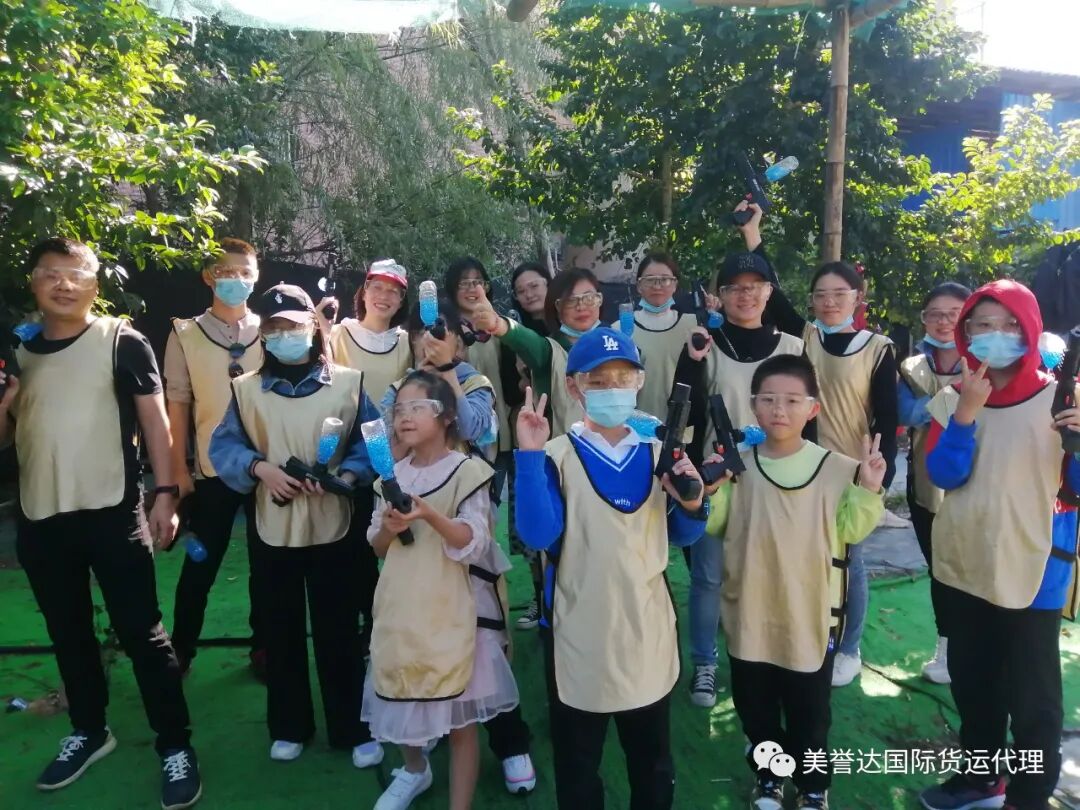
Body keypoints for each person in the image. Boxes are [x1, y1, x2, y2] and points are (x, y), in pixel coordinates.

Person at [2, 238, 201, 808]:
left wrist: (166, 495)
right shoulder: (17, 350)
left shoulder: (121, 340)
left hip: (112, 512)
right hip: (41, 516)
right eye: (50, 274)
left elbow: (156, 424)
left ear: (94, 283)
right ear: (33, 281)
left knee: (143, 634)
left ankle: (175, 744)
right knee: (68, 634)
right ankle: (89, 730)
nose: (63, 284)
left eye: (76, 274)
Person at [514, 327, 708, 809]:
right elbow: (537, 535)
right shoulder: (556, 456)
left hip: (646, 629)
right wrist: (529, 456)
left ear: (640, 381)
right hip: (579, 632)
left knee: (652, 762)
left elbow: (682, 534)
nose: (613, 390)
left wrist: (693, 503)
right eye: (597, 381)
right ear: (574, 387)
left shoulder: (658, 451)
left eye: (624, 378)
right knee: (578, 766)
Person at [918, 279, 1080, 810]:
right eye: (983, 325)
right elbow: (945, 474)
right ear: (966, 332)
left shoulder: (1063, 399)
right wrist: (966, 412)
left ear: (1030, 329)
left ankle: (1028, 796)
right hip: (966, 560)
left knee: (1034, 698)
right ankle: (981, 777)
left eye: (1010, 324)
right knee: (973, 681)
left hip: (1035, 569)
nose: (997, 335)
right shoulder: (953, 397)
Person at [209, 284, 384, 770]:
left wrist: (346, 477)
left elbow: (372, 441)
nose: (285, 334)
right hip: (273, 526)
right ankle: (289, 726)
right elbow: (224, 447)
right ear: (263, 334)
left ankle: (353, 727)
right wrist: (260, 469)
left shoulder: (349, 383)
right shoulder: (245, 390)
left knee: (339, 630)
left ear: (312, 326)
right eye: (274, 327)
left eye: (293, 325)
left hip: (336, 524)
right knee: (280, 628)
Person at [704, 354, 885, 810]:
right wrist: (708, 490)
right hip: (750, 612)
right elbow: (716, 524)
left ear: (813, 409)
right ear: (753, 406)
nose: (778, 410)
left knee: (810, 714)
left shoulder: (839, 469)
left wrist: (868, 487)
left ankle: (812, 786)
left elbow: (851, 529)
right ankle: (769, 777)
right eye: (767, 399)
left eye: (791, 400)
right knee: (755, 708)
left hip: (810, 616)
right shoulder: (738, 468)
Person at [380, 305, 538, 796]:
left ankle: (511, 745)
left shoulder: (472, 381)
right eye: (420, 334)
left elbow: (475, 430)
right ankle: (417, 762)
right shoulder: (401, 391)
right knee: (417, 649)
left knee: (483, 650)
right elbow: (386, 445)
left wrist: (447, 373)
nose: (427, 341)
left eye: (438, 333)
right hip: (412, 560)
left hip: (465, 522)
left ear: (459, 342)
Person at [363, 371, 521, 810]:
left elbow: (475, 542)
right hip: (400, 607)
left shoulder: (468, 472)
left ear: (447, 416)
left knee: (459, 718)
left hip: (454, 611)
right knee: (398, 689)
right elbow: (378, 546)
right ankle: (415, 769)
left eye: (418, 408)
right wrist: (390, 528)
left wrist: (429, 515)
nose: (405, 417)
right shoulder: (389, 477)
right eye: (399, 409)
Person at [673, 213, 805, 709]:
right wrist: (691, 470)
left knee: (768, 572)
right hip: (717, 480)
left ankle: (763, 655)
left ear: (769, 292)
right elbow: (684, 408)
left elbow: (806, 419)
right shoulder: (705, 346)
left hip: (777, 477)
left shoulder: (792, 347)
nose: (745, 295)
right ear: (720, 295)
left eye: (755, 286)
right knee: (708, 576)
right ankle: (705, 663)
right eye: (734, 287)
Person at [761, 232, 898, 688]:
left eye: (839, 293)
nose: (829, 302)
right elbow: (772, 294)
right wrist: (754, 236)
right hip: (804, 466)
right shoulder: (806, 337)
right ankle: (807, 631)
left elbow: (888, 417)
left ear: (857, 297)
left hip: (852, 471)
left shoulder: (877, 348)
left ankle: (849, 647)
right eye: (820, 294)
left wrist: (878, 479)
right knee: (805, 553)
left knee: (849, 561)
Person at [164, 238, 267, 679]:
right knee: (200, 563)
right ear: (208, 276)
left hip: (266, 468)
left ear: (257, 277)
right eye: (225, 272)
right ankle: (181, 648)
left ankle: (264, 647)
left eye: (244, 272)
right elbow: (177, 407)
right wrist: (178, 471)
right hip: (212, 470)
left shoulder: (275, 328)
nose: (235, 280)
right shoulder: (185, 333)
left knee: (267, 565)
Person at [327, 258, 412, 655]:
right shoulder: (338, 335)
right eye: (378, 287)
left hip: (397, 457)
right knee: (356, 547)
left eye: (394, 291)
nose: (384, 296)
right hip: (350, 458)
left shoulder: (408, 342)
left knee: (399, 541)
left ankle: (395, 622)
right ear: (364, 292)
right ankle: (364, 625)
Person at [896, 282, 971, 685]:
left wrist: (935, 404)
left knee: (974, 568)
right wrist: (960, 399)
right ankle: (948, 644)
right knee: (939, 569)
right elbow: (906, 413)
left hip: (976, 483)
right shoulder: (911, 367)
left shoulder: (985, 363)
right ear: (924, 319)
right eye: (935, 314)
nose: (944, 322)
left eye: (954, 314)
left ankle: (979, 646)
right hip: (925, 484)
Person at [472, 267, 603, 436]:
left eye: (589, 297)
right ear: (557, 306)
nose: (581, 306)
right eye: (571, 300)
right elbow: (526, 340)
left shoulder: (617, 342)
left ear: (600, 299)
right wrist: (498, 324)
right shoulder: (551, 351)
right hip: (567, 448)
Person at [611, 252, 698, 419]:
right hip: (635, 425)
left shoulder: (693, 325)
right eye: (650, 280)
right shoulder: (620, 329)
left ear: (675, 285)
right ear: (639, 286)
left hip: (684, 425)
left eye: (665, 279)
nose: (657, 286)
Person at [510, 261, 551, 337]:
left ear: (548, 284)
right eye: (521, 291)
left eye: (534, 286)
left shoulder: (568, 320)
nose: (529, 295)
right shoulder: (518, 334)